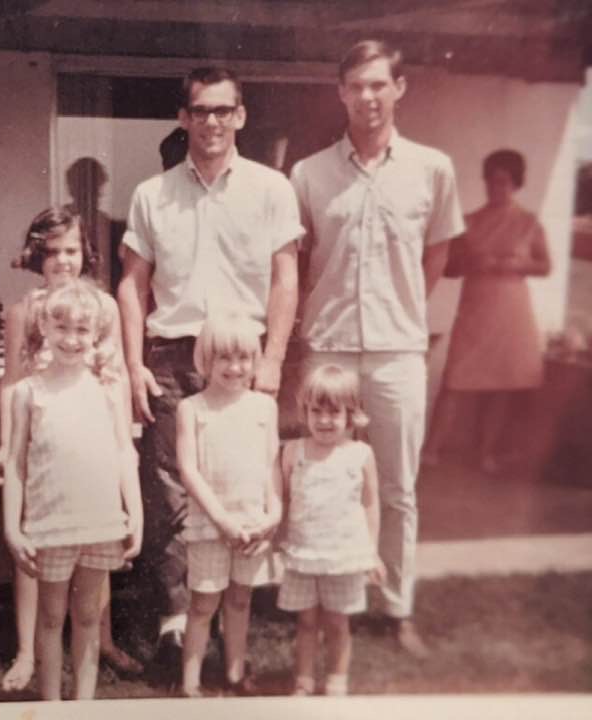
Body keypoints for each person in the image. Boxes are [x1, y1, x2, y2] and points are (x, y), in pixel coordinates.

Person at [117, 66, 303, 674]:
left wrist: (272, 360)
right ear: (184, 117)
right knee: (171, 486)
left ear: (240, 116)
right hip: (171, 353)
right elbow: (131, 284)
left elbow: (285, 278)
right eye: (201, 111)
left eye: (224, 110)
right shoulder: (153, 194)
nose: (212, 122)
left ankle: (233, 618)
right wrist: (133, 364)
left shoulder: (272, 189)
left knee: (241, 480)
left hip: (242, 357)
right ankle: (177, 621)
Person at [290, 40, 465, 658]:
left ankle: (396, 609)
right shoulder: (308, 173)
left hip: (396, 350)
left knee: (396, 488)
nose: (367, 97)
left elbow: (437, 255)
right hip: (329, 347)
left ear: (399, 89)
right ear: (340, 92)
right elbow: (300, 259)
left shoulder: (432, 168)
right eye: (356, 86)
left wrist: (404, 306)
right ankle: (314, 598)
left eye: (378, 85)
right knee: (318, 478)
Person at [0, 207, 143, 691]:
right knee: (41, 546)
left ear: (85, 253)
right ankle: (27, 651)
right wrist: (4, 442)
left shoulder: (102, 307)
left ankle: (104, 641)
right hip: (39, 427)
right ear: (38, 255)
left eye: (71, 250)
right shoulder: (25, 310)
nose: (62, 261)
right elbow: (14, 382)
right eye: (52, 251)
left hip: (92, 429)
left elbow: (112, 370)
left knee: (93, 549)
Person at [175, 312, 282, 698]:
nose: (235, 368)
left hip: (252, 524)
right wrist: (221, 520)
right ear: (206, 359)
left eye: (243, 359)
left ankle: (235, 675)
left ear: (254, 362)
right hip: (210, 524)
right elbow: (189, 470)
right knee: (204, 604)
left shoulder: (264, 408)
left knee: (240, 599)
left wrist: (273, 515)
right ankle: (191, 684)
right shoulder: (193, 409)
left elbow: (272, 466)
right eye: (224, 358)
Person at [423, 150, 551, 473]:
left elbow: (545, 265)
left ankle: (486, 453)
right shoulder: (469, 222)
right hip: (476, 308)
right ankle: (431, 449)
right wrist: (472, 262)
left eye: (504, 182)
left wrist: (516, 263)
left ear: (516, 184)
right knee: (455, 380)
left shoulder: (529, 222)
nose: (497, 188)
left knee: (500, 383)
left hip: (512, 310)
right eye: (492, 182)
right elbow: (450, 266)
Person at [278, 364, 385, 696]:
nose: (324, 420)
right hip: (303, 552)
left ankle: (337, 679)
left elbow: (370, 503)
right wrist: (278, 538)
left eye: (334, 411)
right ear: (305, 411)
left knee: (338, 624)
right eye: (316, 411)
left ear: (351, 414)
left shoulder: (360, 454)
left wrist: (371, 552)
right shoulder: (293, 451)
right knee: (306, 623)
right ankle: (304, 680)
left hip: (344, 556)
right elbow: (283, 496)